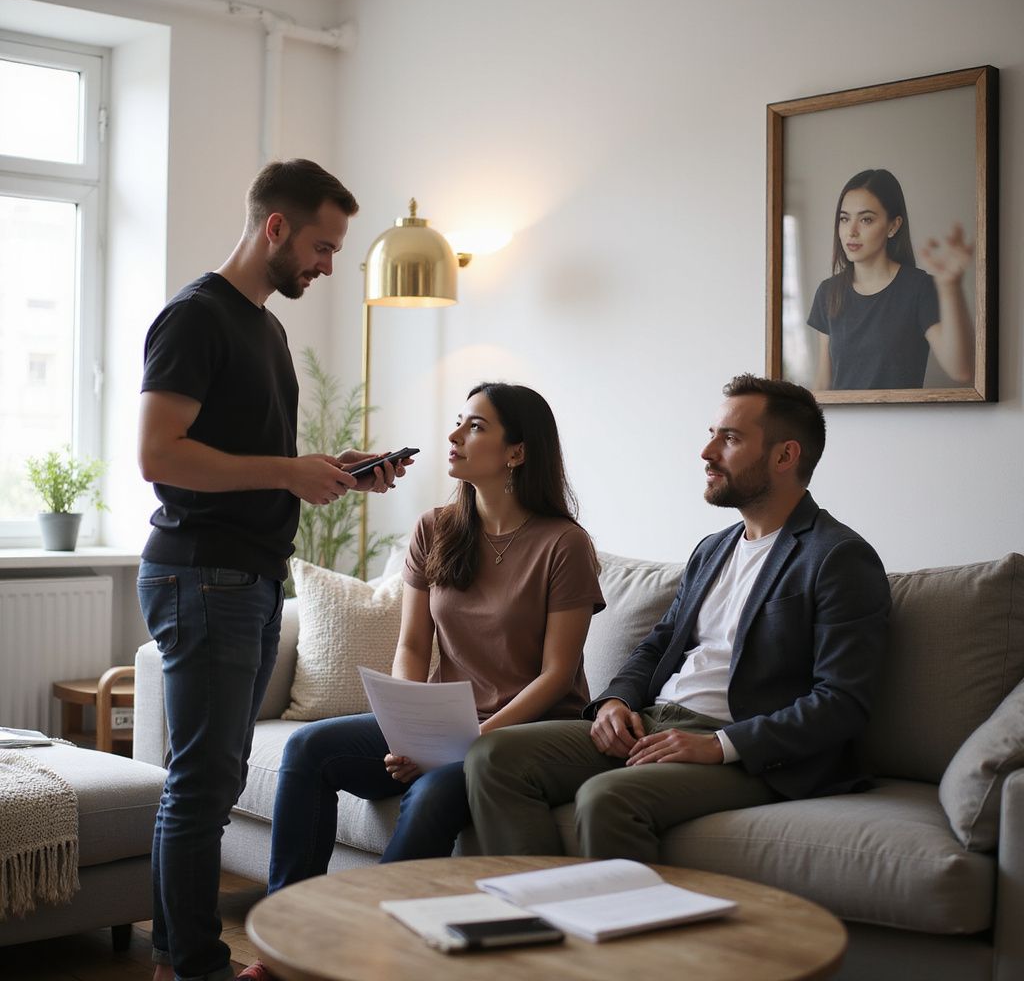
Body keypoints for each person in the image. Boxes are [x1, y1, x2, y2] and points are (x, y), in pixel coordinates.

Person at [137, 159, 409, 981]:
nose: (329, 266)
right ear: (277, 228)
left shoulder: (266, 325)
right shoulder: (196, 318)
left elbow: (245, 454)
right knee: (202, 785)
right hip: (202, 576)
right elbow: (160, 456)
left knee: (209, 784)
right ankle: (193, 967)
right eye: (323, 247)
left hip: (247, 578)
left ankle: (177, 960)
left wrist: (325, 468)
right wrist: (288, 473)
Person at [464, 374, 890, 863]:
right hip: (654, 723)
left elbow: (841, 701)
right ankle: (539, 915)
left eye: (729, 438)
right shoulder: (714, 549)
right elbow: (656, 645)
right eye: (711, 434)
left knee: (607, 798)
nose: (707, 452)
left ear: (785, 455)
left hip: (743, 750)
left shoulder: (837, 556)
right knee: (493, 757)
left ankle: (618, 932)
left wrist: (719, 746)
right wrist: (615, 702)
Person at [262, 382, 604, 889]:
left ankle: (375, 940)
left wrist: (469, 742)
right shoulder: (435, 528)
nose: (454, 434)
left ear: (517, 452)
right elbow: (413, 644)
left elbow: (557, 676)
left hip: (520, 737)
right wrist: (409, 728)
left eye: (475, 426)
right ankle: (286, 932)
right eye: (459, 421)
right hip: (445, 725)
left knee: (430, 792)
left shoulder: (564, 544)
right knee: (308, 749)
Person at [807, 168, 974, 390]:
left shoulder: (919, 288)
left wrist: (950, 287)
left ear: (893, 226)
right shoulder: (828, 292)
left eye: (866, 220)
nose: (851, 231)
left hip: (901, 424)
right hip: (844, 424)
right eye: (844, 219)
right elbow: (823, 382)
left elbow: (960, 369)